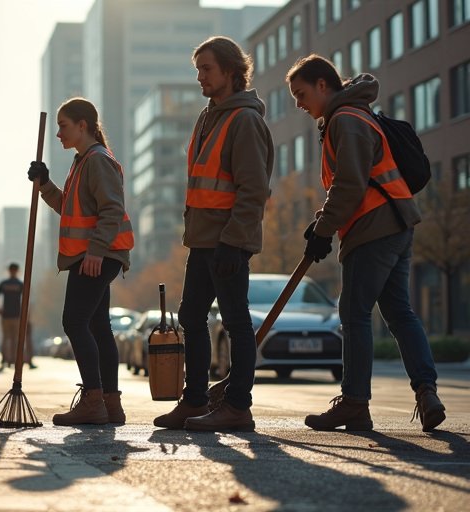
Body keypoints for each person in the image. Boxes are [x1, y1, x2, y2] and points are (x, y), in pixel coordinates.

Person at [286, 55, 446, 432]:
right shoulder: (354, 116)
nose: (298, 103)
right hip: (396, 223)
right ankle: (427, 393)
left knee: (353, 314)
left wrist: (324, 230)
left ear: (324, 84)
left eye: (301, 93)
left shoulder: (346, 120)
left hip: (373, 226)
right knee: (399, 312)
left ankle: (355, 402)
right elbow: (355, 182)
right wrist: (321, 224)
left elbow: (351, 184)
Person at [153, 36, 273, 432]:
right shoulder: (209, 117)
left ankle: (238, 406)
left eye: (206, 69)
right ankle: (196, 400)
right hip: (203, 239)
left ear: (231, 71)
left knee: (236, 321)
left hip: (227, 242)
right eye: (197, 69)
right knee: (191, 315)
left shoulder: (245, 119)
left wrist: (235, 241)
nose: (200, 77)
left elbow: (253, 189)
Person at [27, 97, 133, 426]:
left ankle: (92, 400)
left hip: (96, 255)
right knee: (99, 326)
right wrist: (45, 185)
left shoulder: (97, 160)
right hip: (91, 254)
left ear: (82, 126)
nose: (58, 133)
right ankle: (110, 404)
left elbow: (112, 209)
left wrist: (97, 250)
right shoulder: (81, 162)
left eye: (63, 126)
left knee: (74, 322)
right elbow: (70, 209)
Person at [0, 263, 36, 371]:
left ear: (9, 270)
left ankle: (6, 360)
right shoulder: (20, 284)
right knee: (16, 339)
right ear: (17, 271)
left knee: (6, 338)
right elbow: (26, 300)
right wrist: (26, 315)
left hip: (6, 316)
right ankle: (15, 360)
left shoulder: (4, 284)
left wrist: (0, 311)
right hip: (16, 316)